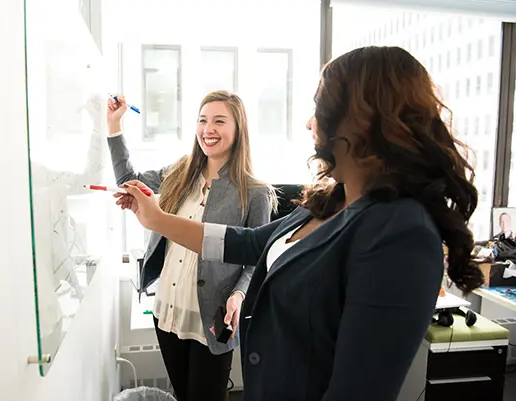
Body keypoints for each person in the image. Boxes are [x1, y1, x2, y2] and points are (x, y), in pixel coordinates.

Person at [113, 46, 484, 401]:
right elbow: (248, 243)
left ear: (361, 120)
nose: (309, 122)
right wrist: (158, 220)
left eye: (319, 108)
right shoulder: (329, 201)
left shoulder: (401, 232)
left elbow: (354, 393)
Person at [106, 90, 275, 401]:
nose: (208, 129)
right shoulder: (180, 172)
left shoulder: (255, 192)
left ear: (238, 130)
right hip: (167, 310)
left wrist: (239, 295)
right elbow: (128, 179)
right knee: (185, 394)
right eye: (202, 120)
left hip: (212, 318)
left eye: (219, 121)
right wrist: (114, 126)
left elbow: (256, 258)